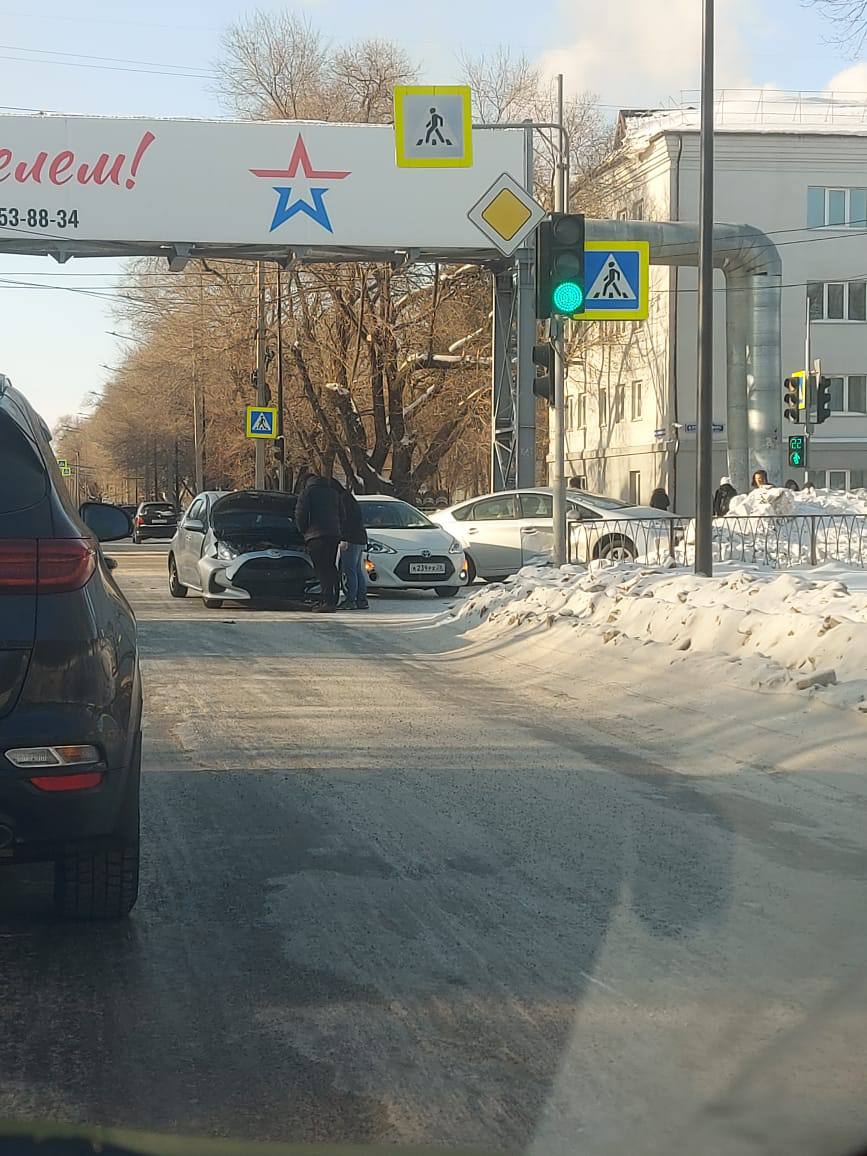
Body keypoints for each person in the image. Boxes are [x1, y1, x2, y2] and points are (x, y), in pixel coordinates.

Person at [295, 474, 343, 612]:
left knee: (321, 569)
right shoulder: (334, 493)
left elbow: (300, 514)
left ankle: (327, 602)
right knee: (331, 566)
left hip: (316, 535)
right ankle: (333, 599)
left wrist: (304, 531)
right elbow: (343, 514)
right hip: (333, 535)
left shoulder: (307, 493)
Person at [332, 478, 369, 610]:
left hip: (350, 539)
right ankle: (361, 599)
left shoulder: (342, 500)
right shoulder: (349, 498)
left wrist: (344, 538)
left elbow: (345, 521)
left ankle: (351, 599)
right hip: (359, 537)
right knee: (357, 570)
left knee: (349, 570)